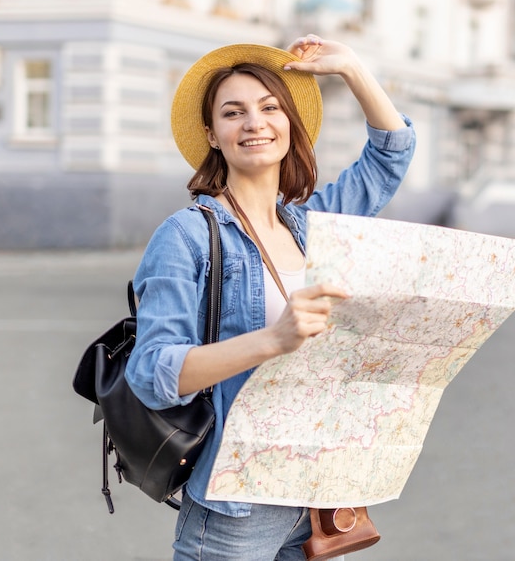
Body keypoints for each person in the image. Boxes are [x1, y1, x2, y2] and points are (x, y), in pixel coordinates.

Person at [125, 34, 416, 560]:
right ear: (213, 135)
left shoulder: (310, 224)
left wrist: (350, 66)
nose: (254, 123)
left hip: (315, 493)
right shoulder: (187, 236)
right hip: (238, 504)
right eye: (233, 113)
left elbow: (390, 156)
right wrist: (274, 339)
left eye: (270, 107)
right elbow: (153, 373)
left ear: (289, 125)